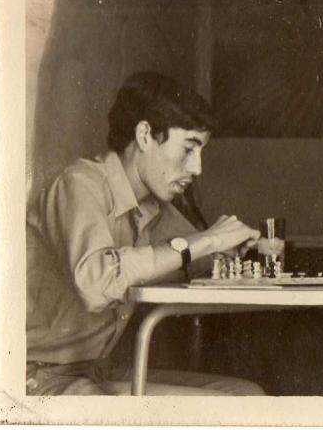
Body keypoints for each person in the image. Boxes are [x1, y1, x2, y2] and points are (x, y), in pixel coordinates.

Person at [26, 71, 265, 395]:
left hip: (99, 369)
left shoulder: (154, 206)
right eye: (188, 149)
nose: (197, 168)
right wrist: (206, 240)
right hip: (37, 378)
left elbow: (192, 258)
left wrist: (228, 250)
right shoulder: (80, 184)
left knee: (246, 395)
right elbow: (96, 284)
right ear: (144, 135)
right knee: (225, 409)